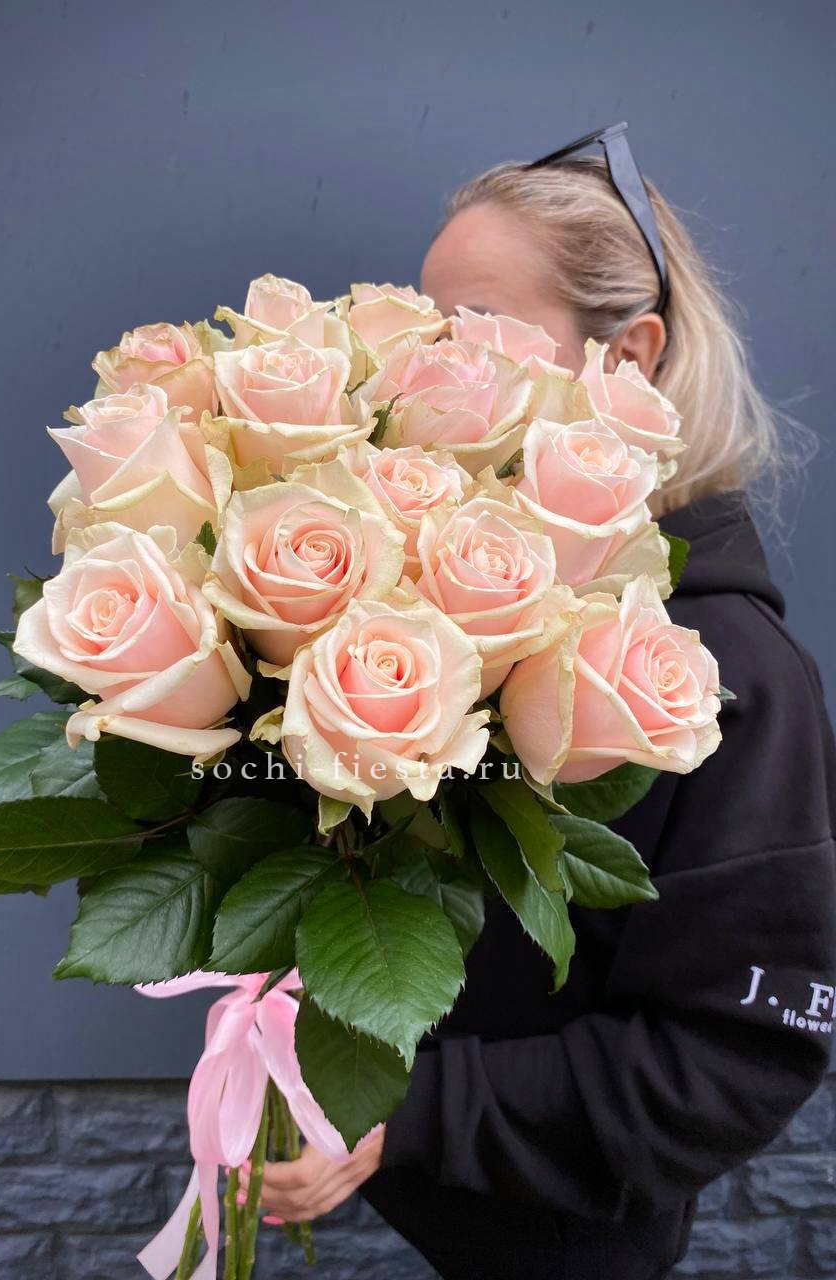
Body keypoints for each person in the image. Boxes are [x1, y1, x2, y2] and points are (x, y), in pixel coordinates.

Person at [237, 146, 836, 1279]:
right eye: (423, 332)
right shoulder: (453, 608)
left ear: (629, 356)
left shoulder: (739, 676)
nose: (422, 371)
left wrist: (406, 1111)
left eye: (472, 332)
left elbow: (730, 1059)